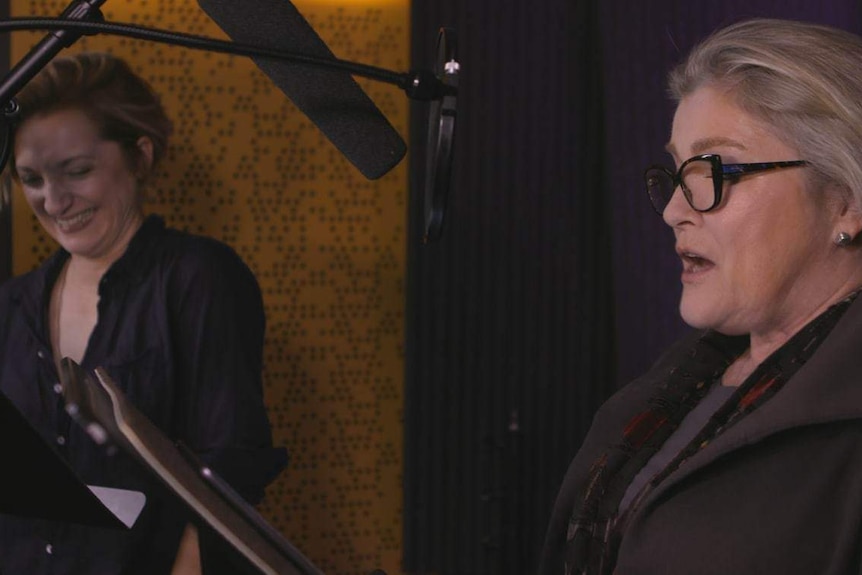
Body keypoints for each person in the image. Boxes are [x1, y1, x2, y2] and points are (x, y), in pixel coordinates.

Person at [538, 18, 862, 575]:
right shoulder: (678, 383)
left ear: (847, 201)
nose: (674, 211)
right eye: (678, 171)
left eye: (714, 168)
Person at [0, 52, 287, 574]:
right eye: (31, 179)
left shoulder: (198, 277)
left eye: (77, 171)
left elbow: (230, 470)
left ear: (141, 156)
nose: (54, 201)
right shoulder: (9, 306)